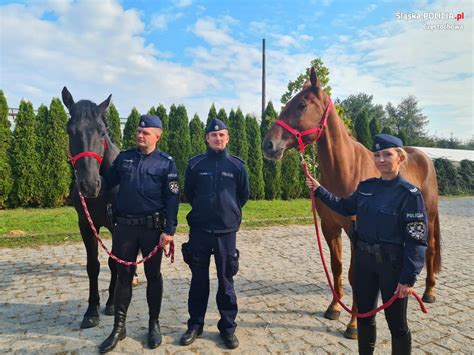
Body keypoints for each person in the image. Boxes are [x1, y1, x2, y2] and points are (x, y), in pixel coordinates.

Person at [305, 134, 427, 355]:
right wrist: (319, 189)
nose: (380, 159)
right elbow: (343, 207)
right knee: (364, 319)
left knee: (397, 326)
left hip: (392, 267)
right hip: (364, 264)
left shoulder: (409, 195)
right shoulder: (366, 187)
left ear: (399, 158)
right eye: (377, 155)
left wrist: (408, 278)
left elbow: (416, 239)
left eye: (387, 154)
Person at [98, 115, 179, 353]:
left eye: (146, 132)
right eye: (138, 131)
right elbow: (105, 182)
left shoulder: (166, 163)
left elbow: (172, 198)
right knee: (124, 275)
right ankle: (119, 327)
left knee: (153, 275)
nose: (140, 135)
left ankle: (153, 324)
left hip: (153, 229)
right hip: (124, 228)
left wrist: (169, 230)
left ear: (157, 136)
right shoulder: (124, 159)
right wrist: (85, 171)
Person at [180, 118, 250, 349]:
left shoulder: (237, 166)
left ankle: (228, 328)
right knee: (198, 281)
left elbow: (243, 196)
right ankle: (195, 325)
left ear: (227, 138)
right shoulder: (195, 165)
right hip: (199, 230)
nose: (218, 139)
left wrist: (228, 212)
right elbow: (188, 193)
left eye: (222, 135)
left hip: (226, 232)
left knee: (225, 281)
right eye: (213, 135)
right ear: (207, 138)